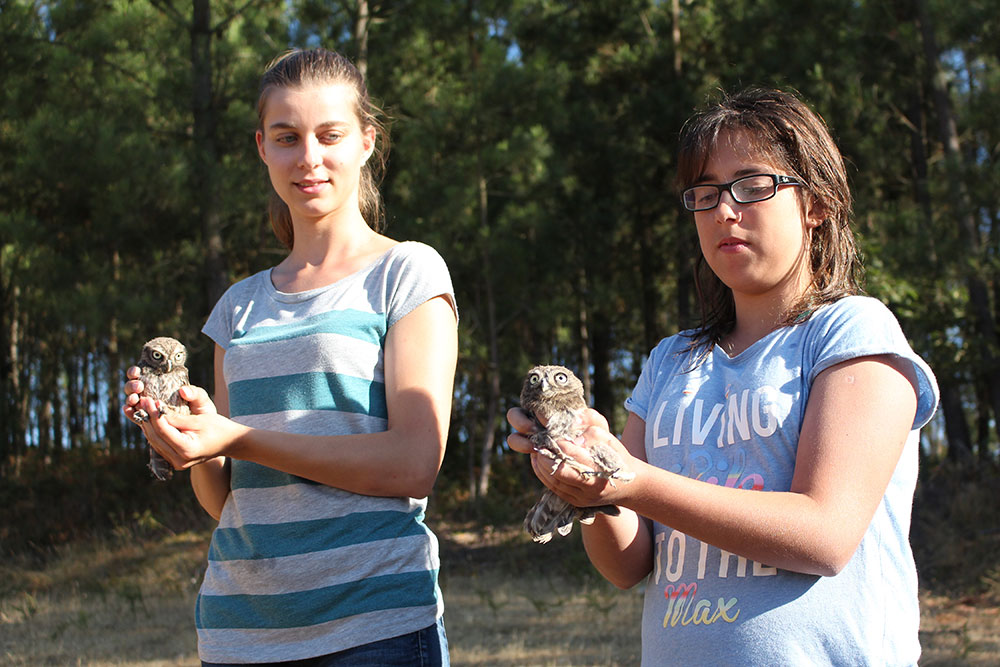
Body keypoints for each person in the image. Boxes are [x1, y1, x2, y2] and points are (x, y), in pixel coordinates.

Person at [507, 87, 938, 665]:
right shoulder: (669, 362)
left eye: (753, 185)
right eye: (705, 193)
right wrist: (585, 480)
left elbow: (825, 536)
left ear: (817, 203)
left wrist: (631, 481)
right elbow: (626, 565)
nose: (723, 211)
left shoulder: (851, 332)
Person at [125, 48, 457, 666]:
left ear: (366, 141)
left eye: (330, 135)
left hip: (374, 626)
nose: (308, 157)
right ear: (262, 147)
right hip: (238, 631)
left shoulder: (407, 272)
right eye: (286, 138)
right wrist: (192, 442)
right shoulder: (236, 306)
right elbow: (228, 500)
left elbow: (414, 464)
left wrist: (238, 438)